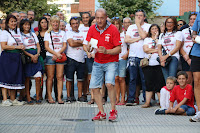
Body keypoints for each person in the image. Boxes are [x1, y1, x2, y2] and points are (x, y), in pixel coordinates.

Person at [84, 8, 121, 121]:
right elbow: (86, 44)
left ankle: (113, 110)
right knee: (94, 87)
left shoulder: (113, 29)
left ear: (106, 17)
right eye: (97, 18)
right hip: (98, 62)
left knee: (109, 84)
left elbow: (119, 49)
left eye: (102, 18)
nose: (99, 20)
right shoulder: (92, 28)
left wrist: (107, 51)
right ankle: (101, 112)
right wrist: (88, 50)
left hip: (111, 61)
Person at [125, 9, 151, 106]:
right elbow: (126, 40)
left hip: (144, 56)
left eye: (140, 15)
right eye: (137, 15)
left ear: (144, 17)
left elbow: (144, 35)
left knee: (144, 79)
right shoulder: (131, 27)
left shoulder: (148, 26)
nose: (138, 17)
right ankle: (131, 99)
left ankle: (145, 99)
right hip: (132, 56)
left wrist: (139, 25)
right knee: (132, 78)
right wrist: (139, 38)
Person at [0, 15, 25, 106]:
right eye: (11, 21)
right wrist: (16, 47)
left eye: (15, 21)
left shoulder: (17, 32)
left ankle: (13, 99)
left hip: (16, 57)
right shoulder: (4, 33)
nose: (13, 23)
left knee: (14, 77)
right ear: (7, 23)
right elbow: (4, 46)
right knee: (5, 77)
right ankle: (5, 99)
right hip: (7, 57)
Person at [44, 15, 67, 104]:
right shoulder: (47, 33)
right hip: (50, 56)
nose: (55, 24)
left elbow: (64, 45)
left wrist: (58, 54)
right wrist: (55, 54)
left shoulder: (63, 33)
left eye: (57, 22)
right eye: (53, 22)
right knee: (50, 77)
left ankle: (59, 97)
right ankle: (49, 96)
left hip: (60, 56)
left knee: (60, 77)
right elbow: (46, 46)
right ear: (51, 23)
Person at [141, 24, 165, 108]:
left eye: (156, 28)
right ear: (150, 30)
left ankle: (162, 103)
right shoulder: (147, 39)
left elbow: (161, 50)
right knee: (148, 83)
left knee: (159, 83)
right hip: (149, 64)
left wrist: (157, 39)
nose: (154, 30)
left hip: (158, 64)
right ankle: (147, 102)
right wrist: (156, 50)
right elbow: (146, 49)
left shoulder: (161, 39)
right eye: (153, 29)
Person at [20, 18, 43, 104]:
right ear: (22, 26)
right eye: (25, 24)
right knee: (27, 78)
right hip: (27, 57)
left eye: (28, 25)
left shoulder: (33, 34)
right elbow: (22, 48)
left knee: (38, 77)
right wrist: (31, 56)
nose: (27, 26)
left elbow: (38, 46)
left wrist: (37, 55)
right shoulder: (20, 35)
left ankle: (37, 96)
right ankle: (28, 97)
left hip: (36, 56)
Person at [65, 17, 85, 103]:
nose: (75, 25)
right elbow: (71, 44)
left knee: (80, 79)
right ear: (70, 25)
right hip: (71, 58)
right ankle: (69, 96)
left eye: (76, 23)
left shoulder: (83, 33)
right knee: (69, 79)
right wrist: (81, 42)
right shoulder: (68, 33)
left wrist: (77, 41)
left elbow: (87, 44)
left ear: (79, 24)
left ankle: (80, 96)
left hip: (81, 59)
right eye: (73, 23)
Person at [157, 16, 182, 81]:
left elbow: (177, 47)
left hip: (173, 57)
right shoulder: (161, 35)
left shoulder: (178, 33)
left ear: (174, 24)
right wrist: (161, 58)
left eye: (171, 22)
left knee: (171, 79)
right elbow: (159, 48)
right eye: (168, 22)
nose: (169, 24)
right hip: (163, 59)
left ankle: (173, 91)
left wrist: (166, 56)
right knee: (166, 80)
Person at [111, 17, 128, 105]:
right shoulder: (110, 34)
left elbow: (130, 46)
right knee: (116, 79)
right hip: (113, 58)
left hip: (122, 58)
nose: (116, 26)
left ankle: (123, 98)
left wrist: (127, 54)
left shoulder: (124, 33)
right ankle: (117, 98)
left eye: (117, 24)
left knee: (122, 78)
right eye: (114, 24)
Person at [189, 0, 200, 122]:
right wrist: (195, 37)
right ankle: (199, 112)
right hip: (197, 52)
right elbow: (194, 33)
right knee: (196, 81)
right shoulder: (199, 15)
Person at [180, 13, 197, 85]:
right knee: (188, 80)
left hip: (197, 57)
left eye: (194, 19)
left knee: (197, 80)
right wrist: (186, 58)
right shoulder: (184, 31)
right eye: (191, 19)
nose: (192, 20)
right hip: (186, 57)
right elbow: (179, 46)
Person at [35, 17, 49, 100]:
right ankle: (39, 94)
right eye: (42, 22)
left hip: (48, 56)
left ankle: (48, 94)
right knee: (40, 77)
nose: (44, 24)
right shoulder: (37, 33)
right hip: (40, 57)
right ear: (39, 24)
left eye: (45, 22)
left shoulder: (49, 33)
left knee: (49, 77)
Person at [85, 16, 96, 104]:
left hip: (100, 58)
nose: (95, 24)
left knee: (101, 79)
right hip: (90, 58)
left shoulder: (102, 32)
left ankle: (101, 97)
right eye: (93, 22)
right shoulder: (89, 32)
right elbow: (85, 45)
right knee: (91, 78)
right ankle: (92, 97)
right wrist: (88, 51)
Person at [79, 12, 91, 99]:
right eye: (84, 18)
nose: (85, 19)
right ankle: (84, 92)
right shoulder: (79, 28)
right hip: (81, 55)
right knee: (83, 75)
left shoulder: (92, 27)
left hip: (91, 54)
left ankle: (90, 92)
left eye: (87, 17)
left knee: (90, 75)